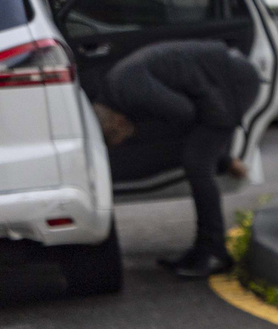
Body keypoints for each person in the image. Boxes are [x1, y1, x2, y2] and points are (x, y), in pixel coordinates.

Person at [101, 40, 263, 279]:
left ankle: (215, 252)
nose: (126, 141)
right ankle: (202, 249)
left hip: (231, 82)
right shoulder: (116, 89)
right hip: (218, 80)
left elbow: (183, 111)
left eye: (118, 139)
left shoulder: (127, 88)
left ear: (117, 123)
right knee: (196, 156)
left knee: (197, 164)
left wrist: (221, 156)